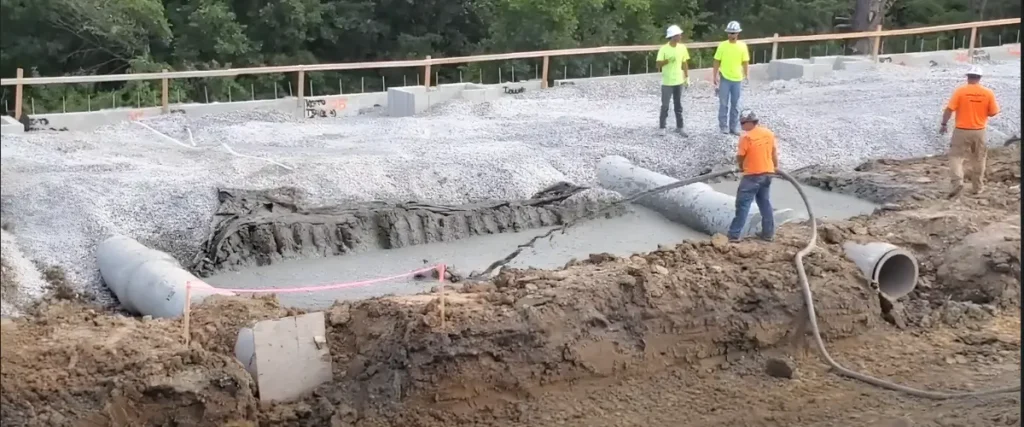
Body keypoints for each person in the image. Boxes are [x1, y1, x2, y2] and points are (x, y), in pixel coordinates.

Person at [940, 65, 1000, 197]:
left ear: (968, 77)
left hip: (961, 130)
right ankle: (977, 187)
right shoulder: (988, 93)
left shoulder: (960, 91)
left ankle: (957, 183)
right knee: (979, 159)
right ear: (979, 78)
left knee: (956, 157)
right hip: (979, 131)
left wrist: (944, 124)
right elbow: (993, 112)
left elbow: (949, 109)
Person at [727, 110, 778, 242]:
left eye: (743, 122)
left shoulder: (746, 137)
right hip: (767, 174)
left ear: (750, 122)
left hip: (752, 176)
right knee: (764, 203)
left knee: (743, 205)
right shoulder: (768, 133)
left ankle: (734, 235)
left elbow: (740, 156)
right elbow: (773, 153)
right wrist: (774, 167)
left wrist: (741, 166)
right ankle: (768, 234)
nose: (742, 125)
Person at [712, 21, 750, 135]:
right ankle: (723, 126)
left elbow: (745, 61)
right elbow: (716, 61)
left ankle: (733, 127)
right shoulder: (722, 46)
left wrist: (746, 74)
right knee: (723, 103)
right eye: (729, 33)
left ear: (738, 33)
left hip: (737, 79)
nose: (731, 35)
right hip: (725, 78)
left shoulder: (742, 46)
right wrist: (714, 76)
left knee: (735, 104)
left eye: (733, 33)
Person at [656, 24, 691, 136]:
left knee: (678, 105)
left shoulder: (682, 48)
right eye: (678, 35)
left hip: (678, 81)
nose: (680, 36)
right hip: (667, 82)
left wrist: (687, 77)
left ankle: (680, 127)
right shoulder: (664, 49)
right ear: (673, 36)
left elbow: (685, 63)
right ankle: (662, 127)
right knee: (665, 105)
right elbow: (658, 64)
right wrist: (667, 61)